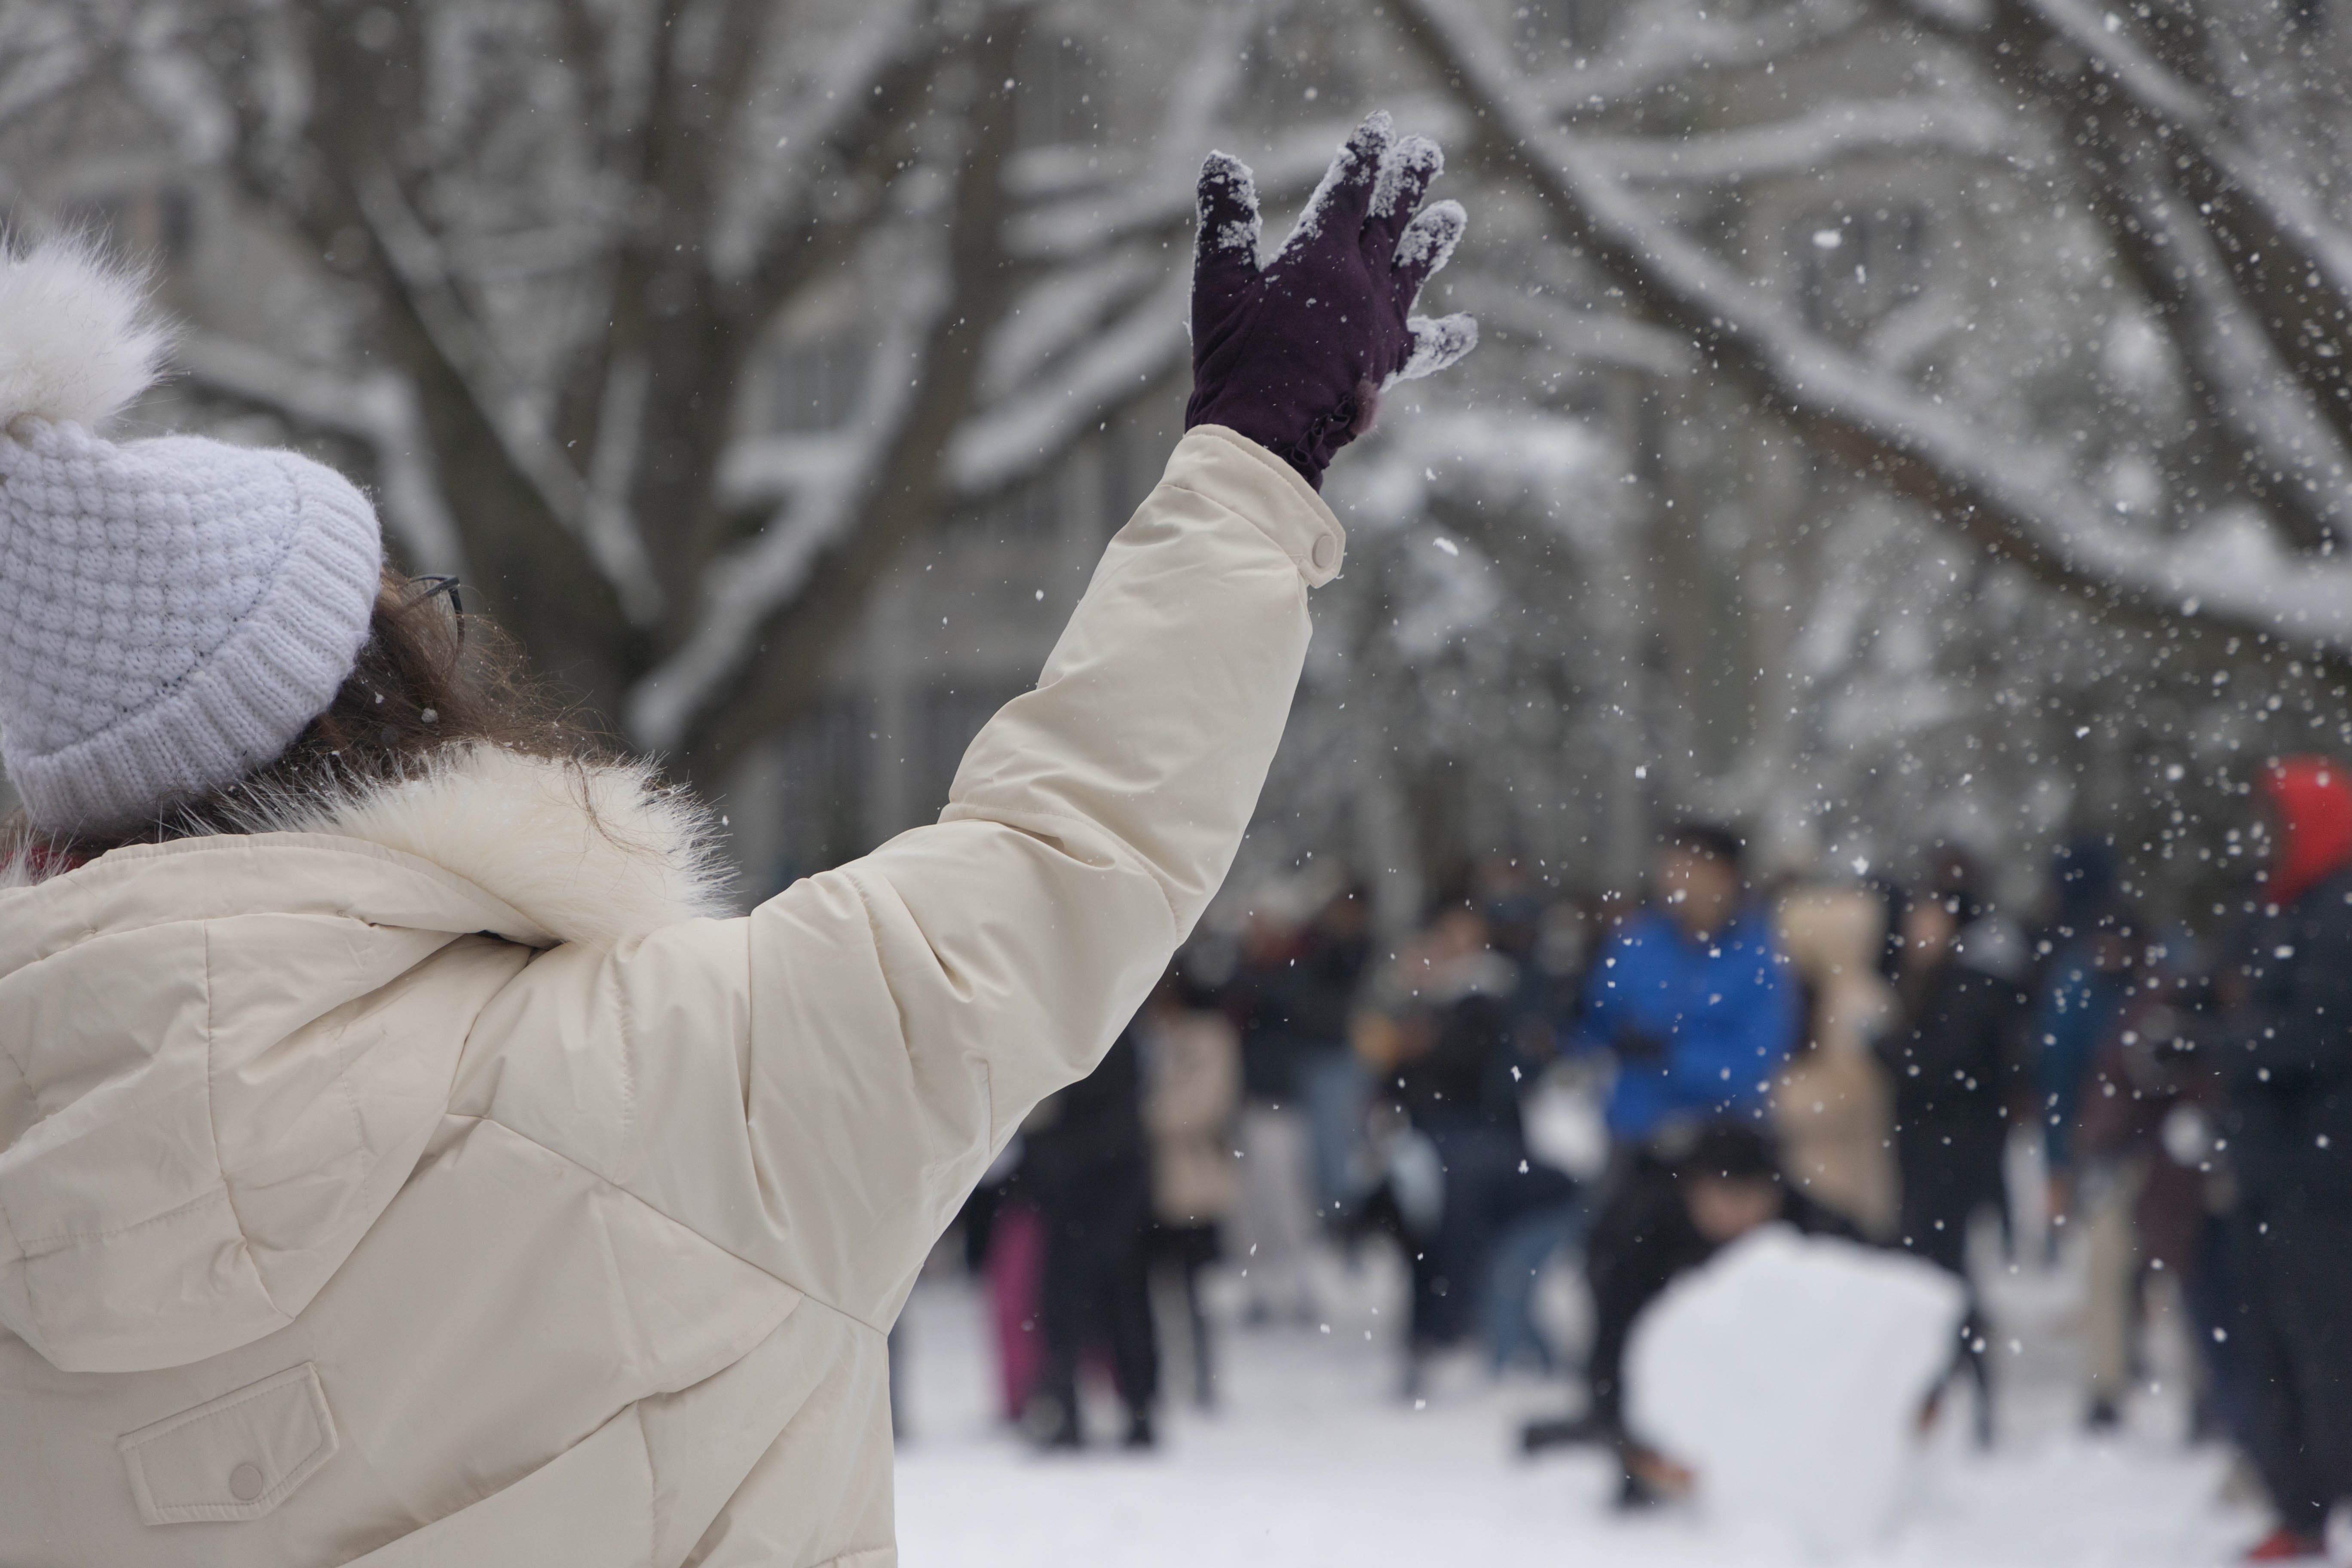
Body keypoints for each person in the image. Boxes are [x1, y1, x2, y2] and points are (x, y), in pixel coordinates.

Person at [0, 114, 1479, 1565]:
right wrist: (1253, 456)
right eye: (420, 617)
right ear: (370, 717)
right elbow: (1076, 838)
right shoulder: (685, 1082)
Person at [1522, 821, 1801, 1459]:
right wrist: (1559, 1023)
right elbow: (1600, 1023)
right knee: (1611, 1268)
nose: (1675, 882)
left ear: (1726, 876)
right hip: (1639, 1141)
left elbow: (1758, 1057)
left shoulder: (1758, 952)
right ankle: (1613, 1405)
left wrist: (1671, 1055)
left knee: (1727, 1287)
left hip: (1722, 1152)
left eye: (1689, 869)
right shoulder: (1637, 941)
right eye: (1669, 869)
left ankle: (1733, 1416)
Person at [2214, 758, 2352, 1562]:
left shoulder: (2336, 914)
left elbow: (2312, 1033)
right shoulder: (2280, 909)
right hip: (2272, 1171)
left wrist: (2230, 1043)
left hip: (2319, 1178)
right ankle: (2298, 1507)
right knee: (2270, 1346)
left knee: (2323, 1344)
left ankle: (2322, 1501)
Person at [1876, 861, 2030, 1441]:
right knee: (1937, 1272)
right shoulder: (1925, 982)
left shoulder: (1966, 985)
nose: (1919, 928)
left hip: (1953, 1155)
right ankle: (1950, 1391)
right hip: (1931, 1151)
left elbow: (1944, 1068)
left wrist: (1885, 1051)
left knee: (1946, 1276)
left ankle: (1967, 1395)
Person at [1023, 1031, 1159, 1449]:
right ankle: (1131, 1408)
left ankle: (1081, 1409)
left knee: (1078, 1303)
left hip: (1085, 1180)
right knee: (1120, 1303)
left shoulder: (1075, 1028)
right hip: (1109, 1177)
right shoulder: (1118, 1024)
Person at [1137, 966, 1243, 1410]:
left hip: (1194, 1184)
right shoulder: (1146, 1041)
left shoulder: (1209, 1040)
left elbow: (1202, 1107)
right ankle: (1162, 1378)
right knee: (1155, 1292)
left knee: (1197, 1289)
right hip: (1151, 1185)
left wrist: (1142, 1119)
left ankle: (1203, 1378)